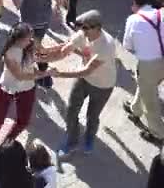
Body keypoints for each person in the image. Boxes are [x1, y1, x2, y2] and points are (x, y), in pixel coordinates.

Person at [41, 10, 117, 158]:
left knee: (92, 115)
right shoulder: (84, 34)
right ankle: (72, 141)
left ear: (97, 28)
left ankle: (89, 138)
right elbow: (66, 48)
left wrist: (59, 74)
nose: (83, 31)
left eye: (86, 28)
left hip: (102, 85)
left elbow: (86, 71)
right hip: (84, 79)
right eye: (82, 28)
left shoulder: (106, 45)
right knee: (71, 110)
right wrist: (46, 55)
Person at [0, 23, 52, 157]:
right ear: (19, 40)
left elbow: (43, 56)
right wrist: (44, 74)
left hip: (27, 88)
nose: (31, 40)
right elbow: (19, 76)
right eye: (28, 38)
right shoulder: (10, 53)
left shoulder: (30, 46)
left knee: (23, 121)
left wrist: (63, 49)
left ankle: (6, 144)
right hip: (7, 87)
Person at [122, 0, 164, 143]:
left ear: (135, 4)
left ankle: (158, 133)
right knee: (145, 85)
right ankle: (135, 109)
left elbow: (128, 45)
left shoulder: (133, 20)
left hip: (149, 64)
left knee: (150, 99)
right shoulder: (161, 13)